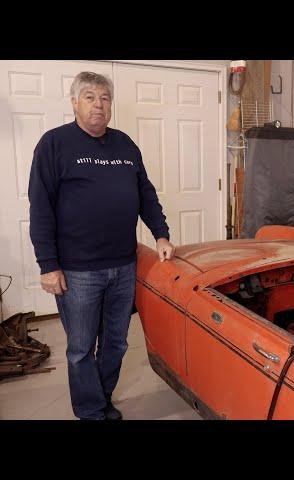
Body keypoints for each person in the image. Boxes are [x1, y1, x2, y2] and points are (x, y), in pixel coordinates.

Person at [28, 71, 175, 420]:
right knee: (80, 348)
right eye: (90, 97)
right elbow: (41, 206)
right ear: (75, 102)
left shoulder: (125, 145)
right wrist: (48, 265)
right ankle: (91, 411)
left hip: (124, 266)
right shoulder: (54, 144)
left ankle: (101, 398)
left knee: (117, 342)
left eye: (105, 98)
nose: (98, 104)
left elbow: (145, 194)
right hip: (78, 270)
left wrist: (161, 233)